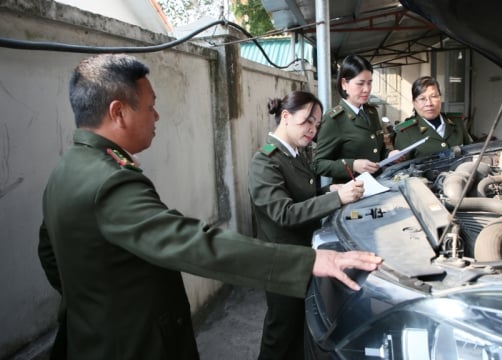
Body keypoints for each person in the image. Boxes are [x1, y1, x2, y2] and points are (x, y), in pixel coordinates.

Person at [37, 54, 383, 360]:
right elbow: (194, 244)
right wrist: (308, 261)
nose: (157, 116)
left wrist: (91, 302)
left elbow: (51, 255)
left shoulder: (68, 168)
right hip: (132, 344)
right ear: (118, 112)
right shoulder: (110, 180)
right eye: (150, 106)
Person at [248, 91, 365, 360]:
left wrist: (330, 191)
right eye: (307, 122)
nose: (313, 130)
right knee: (281, 334)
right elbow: (284, 212)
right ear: (286, 117)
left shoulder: (295, 155)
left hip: (303, 257)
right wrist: (335, 199)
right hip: (281, 262)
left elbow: (303, 196)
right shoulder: (265, 161)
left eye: (316, 124)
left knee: (299, 331)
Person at [313, 54, 398, 183]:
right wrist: (352, 165)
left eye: (369, 83)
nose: (367, 89)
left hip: (378, 184)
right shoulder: (334, 119)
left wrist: (389, 155)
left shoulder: (371, 112)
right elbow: (318, 164)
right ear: (344, 84)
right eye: (360, 83)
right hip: (352, 192)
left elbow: (377, 151)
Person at [393, 76, 472, 159]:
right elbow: (401, 168)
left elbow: (470, 152)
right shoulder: (406, 131)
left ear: (440, 98)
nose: (429, 103)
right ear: (414, 103)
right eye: (422, 99)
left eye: (434, 96)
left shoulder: (457, 122)